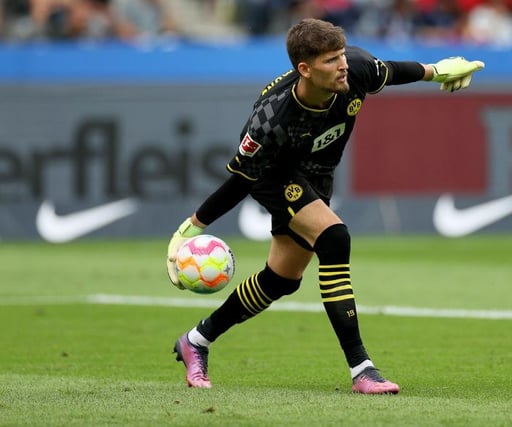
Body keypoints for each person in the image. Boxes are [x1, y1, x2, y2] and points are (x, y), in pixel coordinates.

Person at [167, 17, 484, 394]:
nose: (342, 65)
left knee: (281, 279)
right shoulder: (270, 121)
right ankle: (362, 369)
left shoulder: (357, 69)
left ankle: (196, 341)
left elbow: (395, 70)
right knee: (335, 237)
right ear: (305, 69)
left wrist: (438, 71)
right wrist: (192, 226)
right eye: (331, 60)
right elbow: (241, 180)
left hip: (317, 177)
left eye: (341, 55)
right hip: (274, 176)